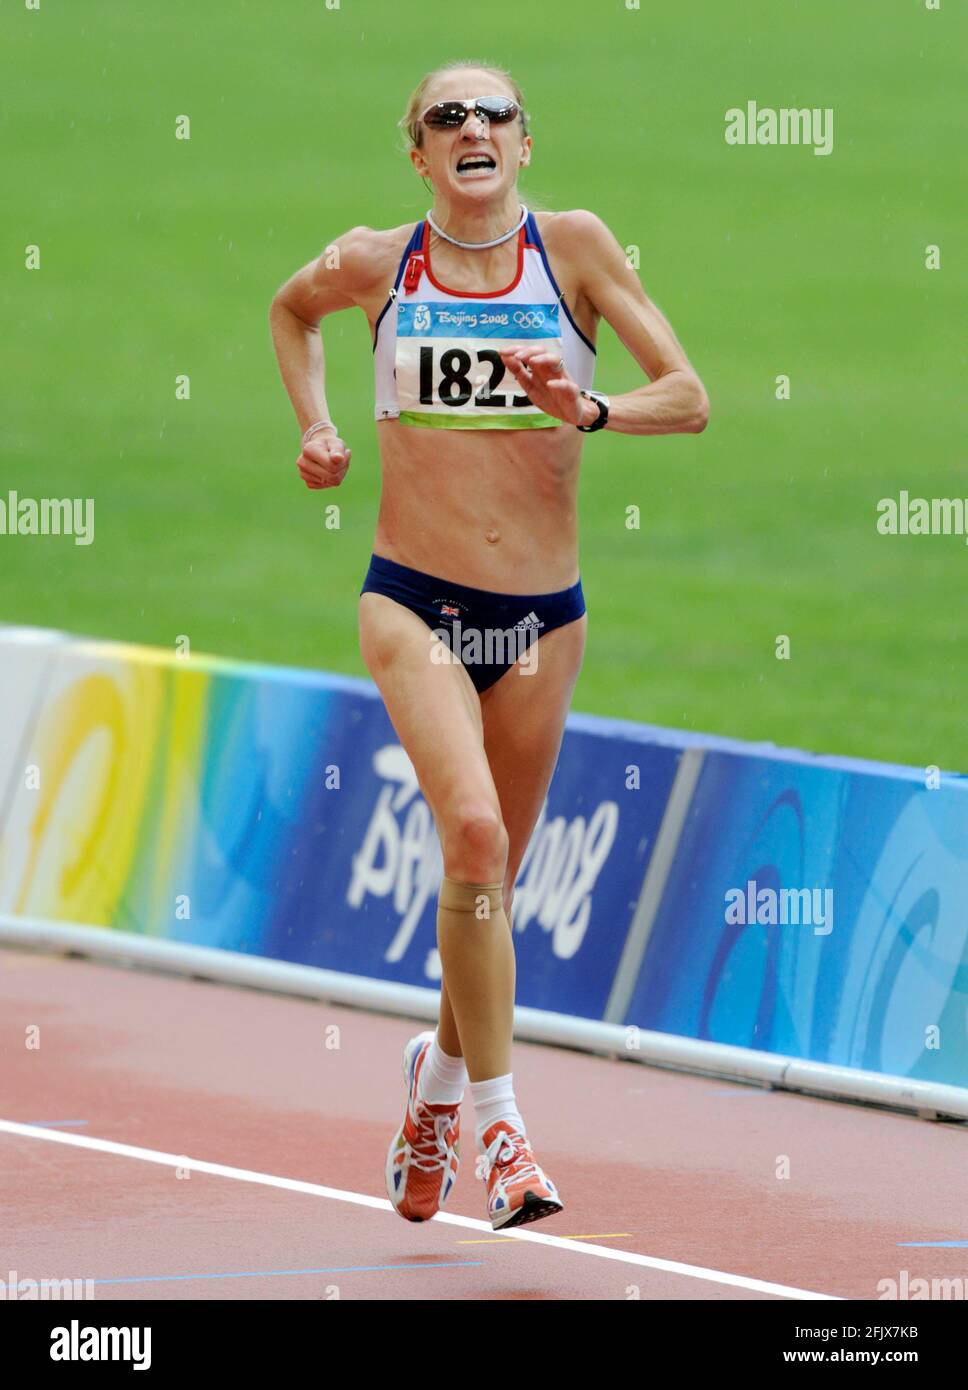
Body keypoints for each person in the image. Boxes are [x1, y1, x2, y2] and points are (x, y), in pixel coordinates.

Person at [269, 60, 709, 1231]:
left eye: (492, 113)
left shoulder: (573, 251)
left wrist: (592, 409)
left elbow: (689, 394)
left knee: (488, 874)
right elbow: (288, 309)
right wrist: (316, 422)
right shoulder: (377, 261)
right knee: (469, 832)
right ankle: (503, 1134)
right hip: (411, 599)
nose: (471, 128)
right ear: (417, 154)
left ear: (525, 141)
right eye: (445, 117)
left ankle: (433, 1090)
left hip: (540, 619)